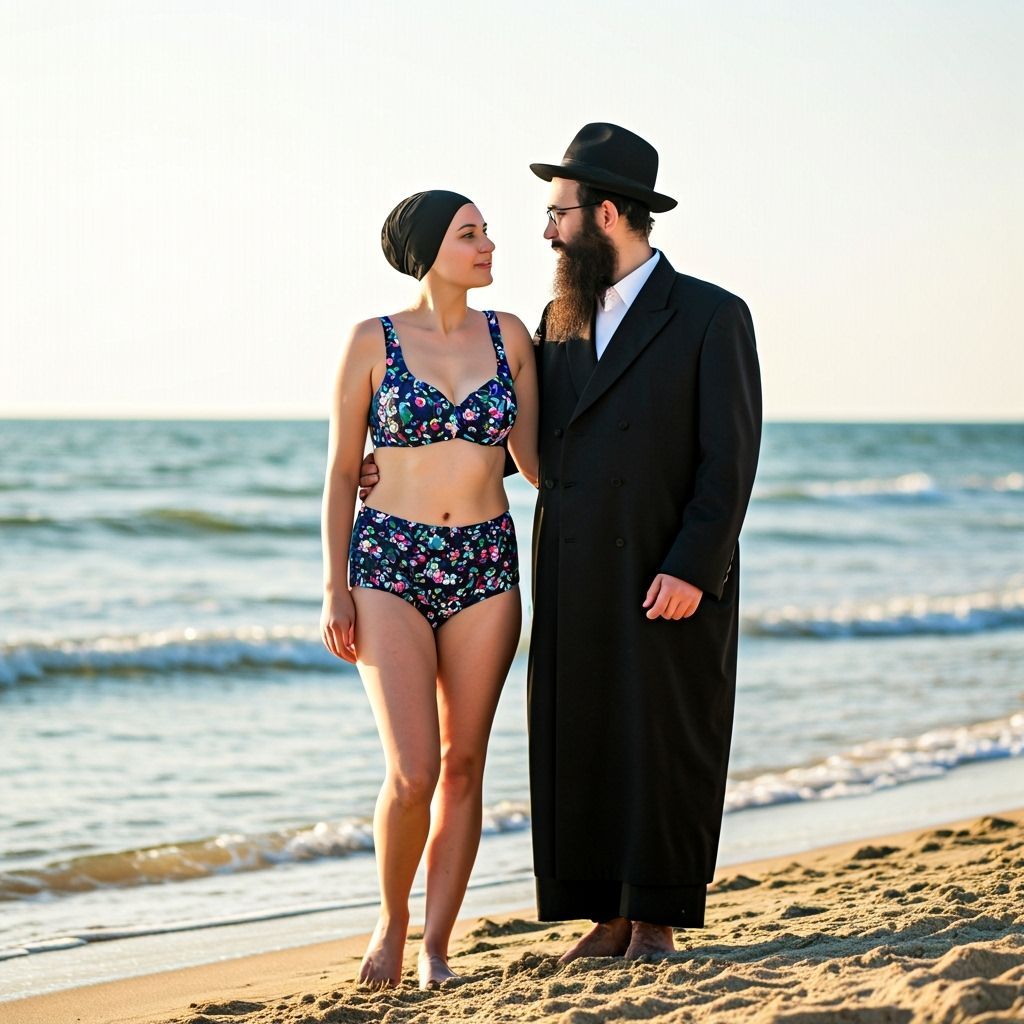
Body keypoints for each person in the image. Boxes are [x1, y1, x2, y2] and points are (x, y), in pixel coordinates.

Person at [525, 123, 762, 962]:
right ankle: (606, 915)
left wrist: (695, 566)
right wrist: (400, 468)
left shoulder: (710, 314)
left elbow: (730, 458)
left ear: (607, 214)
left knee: (664, 738)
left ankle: (655, 918)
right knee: (584, 734)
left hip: (668, 568)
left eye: (559, 213)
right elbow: (528, 439)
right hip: (575, 566)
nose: (547, 231)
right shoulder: (558, 319)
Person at [320, 189, 538, 990]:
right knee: (412, 771)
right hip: (389, 560)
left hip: (486, 562)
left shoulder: (510, 335)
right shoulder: (370, 340)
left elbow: (538, 463)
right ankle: (391, 917)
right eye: (469, 234)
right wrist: (334, 586)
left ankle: (437, 946)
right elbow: (340, 473)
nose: (488, 245)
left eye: (486, 232)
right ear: (427, 251)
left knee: (464, 764)